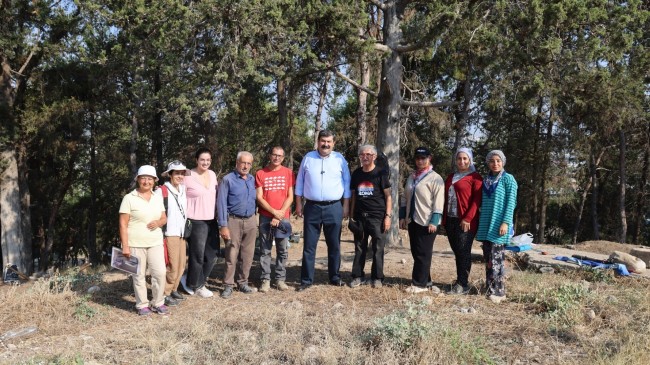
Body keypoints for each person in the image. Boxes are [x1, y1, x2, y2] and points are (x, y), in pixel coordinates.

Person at [295, 130, 351, 291]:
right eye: (323, 141)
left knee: (334, 245)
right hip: (311, 207)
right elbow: (300, 182)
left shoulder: (339, 159)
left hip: (334, 207)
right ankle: (306, 280)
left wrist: (345, 206)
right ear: (318, 141)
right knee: (309, 246)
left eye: (329, 141)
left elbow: (347, 184)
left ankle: (334, 277)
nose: (325, 144)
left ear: (333, 143)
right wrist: (298, 204)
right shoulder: (308, 158)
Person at [119, 165, 169, 315]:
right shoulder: (129, 198)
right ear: (138, 180)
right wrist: (125, 246)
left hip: (155, 242)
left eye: (150, 179)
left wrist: (158, 223)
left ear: (154, 181)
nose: (146, 182)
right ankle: (142, 305)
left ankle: (158, 302)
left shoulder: (157, 197)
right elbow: (122, 223)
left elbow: (164, 217)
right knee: (139, 275)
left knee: (159, 273)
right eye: (143, 178)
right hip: (135, 243)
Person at [399, 147, 445, 294]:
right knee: (416, 252)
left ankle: (419, 284)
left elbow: (439, 200)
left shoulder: (435, 178)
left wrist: (434, 220)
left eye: (423, 158)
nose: (420, 161)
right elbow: (404, 197)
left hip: (427, 221)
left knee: (423, 253)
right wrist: (402, 216)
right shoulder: (412, 177)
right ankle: (427, 280)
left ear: (429, 158)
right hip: (413, 219)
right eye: (418, 158)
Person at [476, 150, 518, 304]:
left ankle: (499, 291)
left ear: (503, 162)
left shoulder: (508, 179)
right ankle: (489, 288)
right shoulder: (486, 180)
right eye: (492, 161)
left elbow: (511, 202)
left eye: (498, 161)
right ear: (488, 162)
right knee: (488, 258)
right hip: (487, 225)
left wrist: (506, 222)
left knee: (497, 259)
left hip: (500, 226)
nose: (495, 164)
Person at [349, 144, 392, 289]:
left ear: (374, 156)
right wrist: (351, 215)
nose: (365, 157)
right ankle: (357, 276)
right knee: (359, 248)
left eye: (368, 154)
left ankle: (377, 277)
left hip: (377, 218)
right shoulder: (356, 173)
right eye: (362, 155)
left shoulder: (381, 173)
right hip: (360, 217)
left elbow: (388, 196)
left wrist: (388, 216)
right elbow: (354, 195)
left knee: (378, 248)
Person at [442, 148, 482, 295]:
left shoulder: (475, 177)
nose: (462, 161)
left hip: (465, 221)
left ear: (470, 160)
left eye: (465, 158)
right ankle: (460, 280)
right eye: (459, 158)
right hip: (450, 219)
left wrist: (468, 218)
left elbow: (477, 200)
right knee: (457, 251)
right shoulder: (451, 176)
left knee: (463, 251)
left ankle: (463, 284)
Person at [218, 151, 257, 298]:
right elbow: (221, 203)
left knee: (248, 254)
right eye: (243, 163)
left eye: (248, 163)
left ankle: (243, 282)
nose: (245, 166)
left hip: (251, 220)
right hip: (233, 220)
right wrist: (223, 225)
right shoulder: (228, 180)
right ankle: (228, 285)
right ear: (237, 163)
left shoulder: (252, 179)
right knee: (231, 253)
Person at [181, 147, 219, 298]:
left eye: (208, 160)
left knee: (212, 254)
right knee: (197, 255)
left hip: (211, 220)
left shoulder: (212, 174)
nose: (205, 162)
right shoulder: (187, 176)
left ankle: (191, 279)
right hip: (195, 220)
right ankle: (196, 285)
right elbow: (179, 196)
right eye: (202, 159)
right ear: (196, 160)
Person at [255, 146, 294, 292]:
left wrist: (280, 213)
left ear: (283, 158)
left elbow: (290, 196)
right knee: (265, 250)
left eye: (280, 155)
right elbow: (259, 197)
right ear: (270, 156)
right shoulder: (260, 173)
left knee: (282, 249)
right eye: (274, 155)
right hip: (266, 217)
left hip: (283, 217)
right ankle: (265, 280)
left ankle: (280, 279)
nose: (276, 158)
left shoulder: (288, 173)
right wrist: (273, 213)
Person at [156, 160, 191, 306]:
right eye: (177, 173)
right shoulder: (161, 190)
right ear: (170, 174)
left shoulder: (183, 189)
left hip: (182, 232)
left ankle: (174, 289)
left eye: (182, 173)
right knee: (172, 265)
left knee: (182, 264)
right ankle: (164, 293)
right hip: (170, 233)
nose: (180, 176)